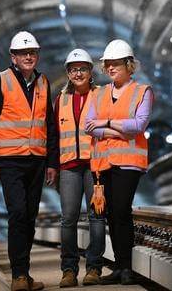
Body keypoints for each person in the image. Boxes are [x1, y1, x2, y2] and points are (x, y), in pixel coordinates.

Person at [0, 31, 59, 291]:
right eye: (24, 53)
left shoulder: (43, 83)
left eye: (33, 53)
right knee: (17, 213)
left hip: (36, 161)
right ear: (13, 57)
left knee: (30, 216)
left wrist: (51, 163)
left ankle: (25, 273)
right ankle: (18, 276)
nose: (29, 56)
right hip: (10, 161)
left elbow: (49, 124)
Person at [84, 39, 153, 285]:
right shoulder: (100, 93)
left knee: (122, 210)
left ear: (129, 65)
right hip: (103, 164)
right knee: (111, 214)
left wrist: (107, 124)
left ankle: (127, 268)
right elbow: (88, 126)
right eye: (108, 65)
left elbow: (139, 126)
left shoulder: (142, 92)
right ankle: (121, 266)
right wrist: (116, 129)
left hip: (129, 162)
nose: (111, 68)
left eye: (116, 64)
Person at [56, 48, 105, 287]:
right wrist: (52, 166)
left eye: (83, 69)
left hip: (95, 166)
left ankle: (94, 269)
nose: (78, 73)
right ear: (68, 73)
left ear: (90, 71)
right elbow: (54, 136)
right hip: (68, 166)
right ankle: (68, 270)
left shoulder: (102, 96)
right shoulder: (61, 100)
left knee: (96, 216)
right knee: (68, 218)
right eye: (74, 70)